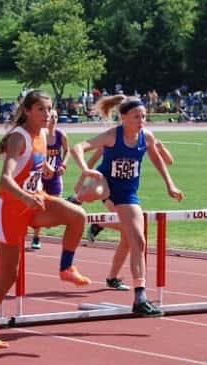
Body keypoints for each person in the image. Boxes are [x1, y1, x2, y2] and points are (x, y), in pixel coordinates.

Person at [0, 90, 90, 348]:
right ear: (27, 111)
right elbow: (5, 179)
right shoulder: (18, 138)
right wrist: (25, 197)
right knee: (8, 276)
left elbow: (35, 165)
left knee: (78, 215)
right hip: (13, 209)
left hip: (36, 200)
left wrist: (44, 168)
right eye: (41, 110)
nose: (47, 114)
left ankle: (66, 267)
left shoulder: (44, 135)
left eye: (49, 109)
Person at [70, 94, 184, 316]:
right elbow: (78, 147)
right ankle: (75, 200)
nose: (141, 120)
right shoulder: (113, 135)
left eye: (143, 116)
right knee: (97, 190)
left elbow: (160, 161)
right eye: (136, 116)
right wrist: (84, 170)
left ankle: (140, 296)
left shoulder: (146, 137)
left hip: (128, 193)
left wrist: (170, 185)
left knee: (138, 241)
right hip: (106, 182)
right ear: (124, 118)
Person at [31, 109, 70, 250]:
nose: (53, 119)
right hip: (41, 175)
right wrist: (44, 167)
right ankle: (36, 236)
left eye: (56, 117)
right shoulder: (41, 135)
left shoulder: (61, 135)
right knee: (39, 205)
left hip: (55, 175)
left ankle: (67, 236)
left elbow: (68, 150)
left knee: (58, 204)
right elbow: (36, 153)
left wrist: (63, 164)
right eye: (51, 116)